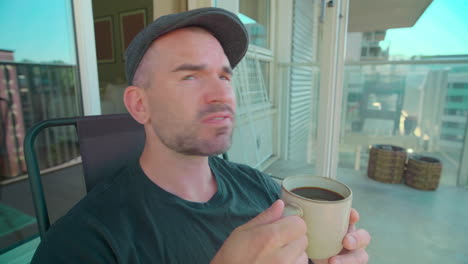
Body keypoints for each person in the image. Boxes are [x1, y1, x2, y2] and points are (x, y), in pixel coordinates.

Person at [31, 7, 370, 264]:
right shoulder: (83, 243)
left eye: (225, 77)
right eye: (190, 77)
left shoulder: (265, 190)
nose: (220, 94)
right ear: (139, 104)